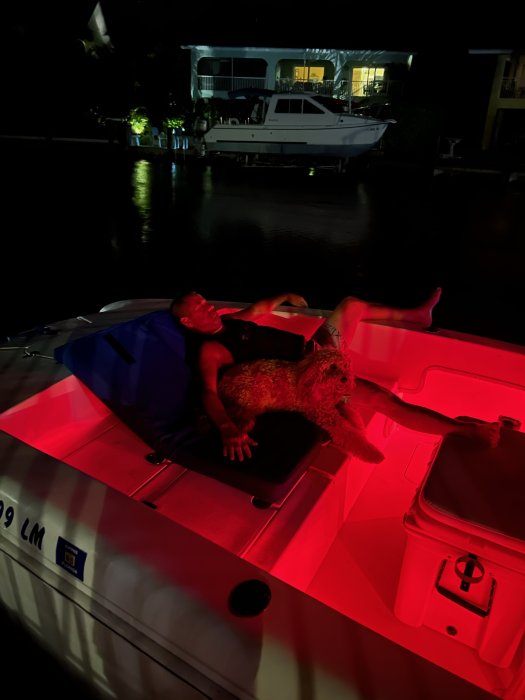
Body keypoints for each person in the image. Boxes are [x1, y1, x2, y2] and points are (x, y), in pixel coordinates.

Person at [170, 289, 501, 461]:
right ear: (188, 322)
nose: (209, 307)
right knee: (382, 399)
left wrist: (284, 296)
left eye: (205, 301)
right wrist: (227, 427)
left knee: (351, 305)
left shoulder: (228, 322)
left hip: (316, 351)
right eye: (200, 308)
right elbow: (209, 392)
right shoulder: (210, 348)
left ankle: (417, 316)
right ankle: (467, 432)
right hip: (310, 378)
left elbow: (259, 309)